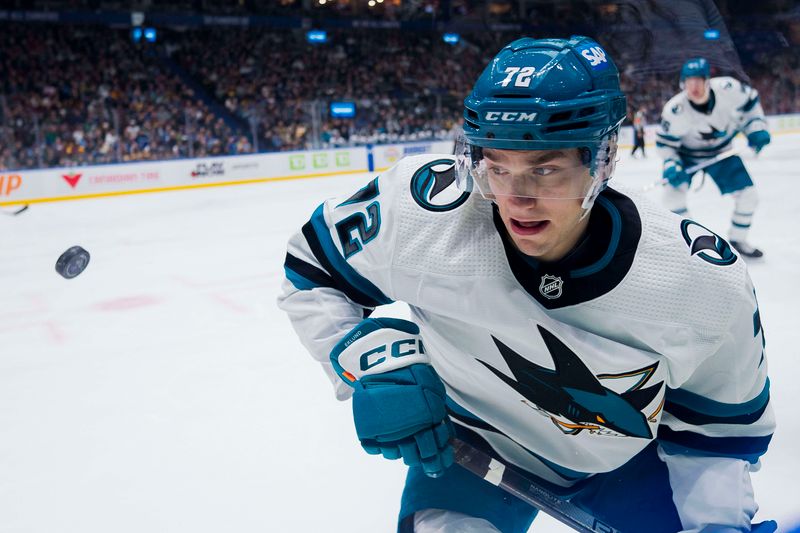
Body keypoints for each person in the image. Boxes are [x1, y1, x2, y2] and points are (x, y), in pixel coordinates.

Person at [278, 37, 775, 533]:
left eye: (545, 169)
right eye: (497, 166)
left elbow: (716, 432)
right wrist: (374, 361)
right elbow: (312, 268)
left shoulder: (698, 281)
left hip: (627, 465)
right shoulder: (427, 211)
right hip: (473, 447)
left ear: (602, 159)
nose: (516, 198)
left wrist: (717, 523)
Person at [656, 57, 771, 258]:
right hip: (687, 156)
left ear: (708, 80)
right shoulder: (675, 110)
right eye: (689, 81)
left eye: (699, 80)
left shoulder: (729, 88)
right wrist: (671, 165)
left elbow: (751, 104)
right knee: (672, 199)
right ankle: (688, 246)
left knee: (748, 196)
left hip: (722, 153)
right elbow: (665, 144)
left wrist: (757, 127)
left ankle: (738, 238)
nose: (694, 87)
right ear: (682, 84)